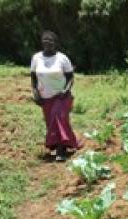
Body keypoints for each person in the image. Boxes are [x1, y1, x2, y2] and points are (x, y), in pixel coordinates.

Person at [30, 31, 82, 161]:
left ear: (55, 43)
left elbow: (70, 77)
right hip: (45, 97)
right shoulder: (36, 58)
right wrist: (35, 93)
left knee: (58, 118)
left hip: (61, 96)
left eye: (50, 41)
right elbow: (33, 77)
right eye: (45, 41)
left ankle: (61, 151)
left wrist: (66, 90)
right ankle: (67, 143)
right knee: (51, 123)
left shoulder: (62, 58)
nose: (48, 43)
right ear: (42, 43)